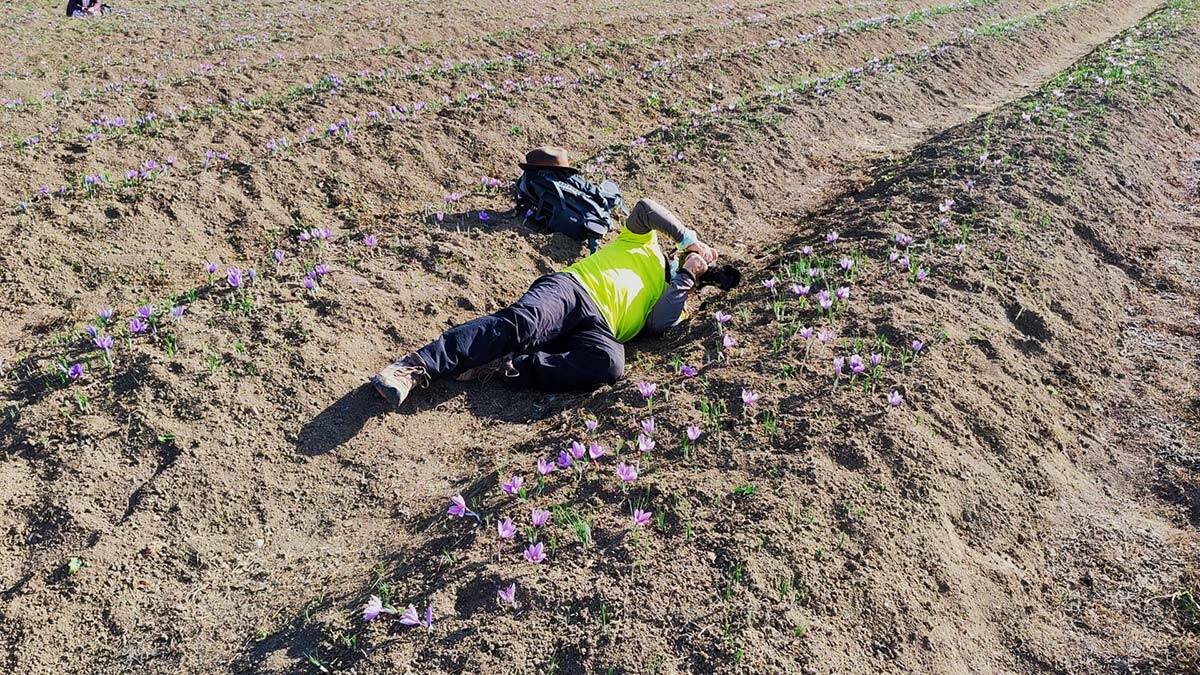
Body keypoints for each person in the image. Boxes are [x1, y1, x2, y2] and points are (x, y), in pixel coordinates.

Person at [371, 147, 719, 407]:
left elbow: (659, 323)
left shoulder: (673, 298)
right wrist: (689, 239)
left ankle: (510, 365)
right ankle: (416, 366)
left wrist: (687, 276)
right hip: (573, 290)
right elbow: (645, 207)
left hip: (600, 331)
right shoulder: (644, 242)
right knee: (523, 324)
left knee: (610, 365)